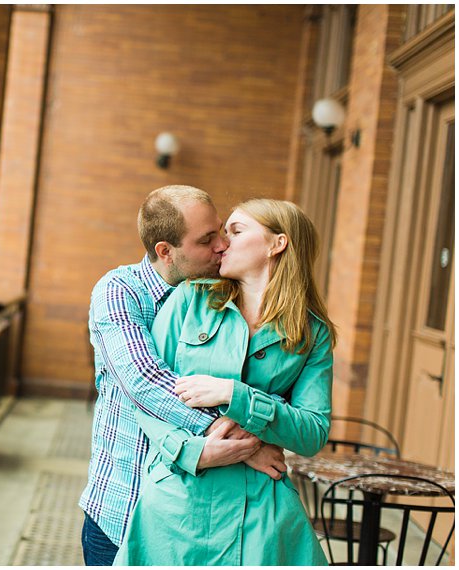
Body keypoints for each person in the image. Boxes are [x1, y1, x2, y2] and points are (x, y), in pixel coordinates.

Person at [113, 198, 335, 565]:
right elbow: (146, 398)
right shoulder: (191, 299)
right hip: (178, 496)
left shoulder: (312, 332)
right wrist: (193, 451)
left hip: (261, 508)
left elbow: (312, 432)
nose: (222, 244)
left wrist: (238, 396)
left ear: (276, 244)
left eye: (235, 231)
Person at [79, 186, 289, 566]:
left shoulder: (226, 296)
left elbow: (271, 385)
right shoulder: (120, 291)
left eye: (223, 232)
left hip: (198, 526)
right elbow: (144, 381)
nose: (223, 245)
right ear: (166, 251)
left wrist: (254, 416)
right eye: (207, 240)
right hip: (125, 508)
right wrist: (247, 440)